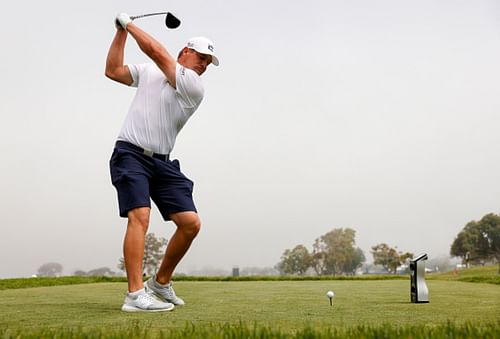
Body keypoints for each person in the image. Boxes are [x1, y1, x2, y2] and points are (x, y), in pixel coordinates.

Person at [105, 13, 219, 312]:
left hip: (164, 164)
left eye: (209, 62)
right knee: (140, 215)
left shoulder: (193, 85)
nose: (205, 65)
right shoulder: (149, 72)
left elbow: (156, 51)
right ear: (185, 51)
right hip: (130, 154)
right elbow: (113, 70)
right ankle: (134, 294)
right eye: (202, 57)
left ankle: (161, 282)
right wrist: (120, 34)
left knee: (190, 224)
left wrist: (128, 25)